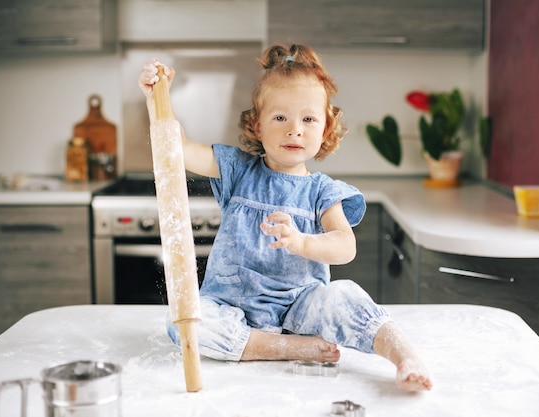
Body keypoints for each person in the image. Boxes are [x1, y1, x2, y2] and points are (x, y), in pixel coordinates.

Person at [138, 44, 432, 391]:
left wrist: (303, 242)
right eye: (280, 118)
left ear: (325, 129)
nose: (295, 129)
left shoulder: (322, 190)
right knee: (185, 321)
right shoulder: (237, 170)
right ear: (257, 125)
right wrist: (157, 98)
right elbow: (177, 148)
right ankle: (279, 348)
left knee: (345, 296)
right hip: (232, 305)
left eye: (308, 119)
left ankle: (405, 357)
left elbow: (345, 246)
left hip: (301, 308)